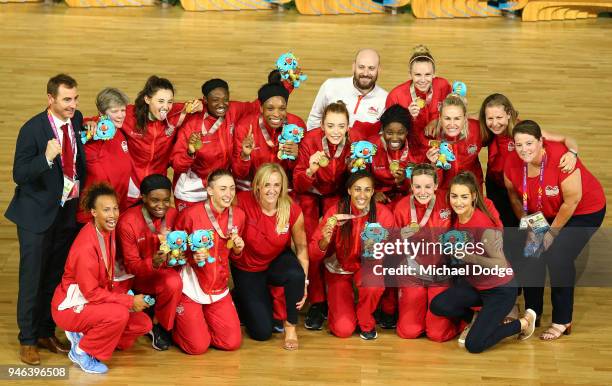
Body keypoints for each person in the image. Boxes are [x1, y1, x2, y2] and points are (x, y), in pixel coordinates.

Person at [5, 74, 86, 365]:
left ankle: (44, 331)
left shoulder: (76, 123)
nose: (72, 105)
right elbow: (19, 174)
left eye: (75, 98)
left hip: (65, 211)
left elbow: (79, 162)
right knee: (32, 279)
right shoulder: (32, 129)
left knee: (53, 276)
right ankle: (27, 339)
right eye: (66, 99)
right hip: (35, 215)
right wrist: (47, 158)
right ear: (50, 98)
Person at [503, 120, 606, 340]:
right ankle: (533, 313)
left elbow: (572, 201)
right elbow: (514, 197)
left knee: (559, 255)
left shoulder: (561, 159)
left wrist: (551, 234)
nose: (524, 149)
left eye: (529, 143)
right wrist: (531, 225)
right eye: (519, 144)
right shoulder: (511, 162)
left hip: (582, 211)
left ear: (541, 142)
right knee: (531, 253)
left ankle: (562, 320)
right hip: (544, 212)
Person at [430, 172, 537, 353]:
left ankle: (523, 323)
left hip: (500, 291)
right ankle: (478, 319)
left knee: (474, 345)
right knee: (438, 305)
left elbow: (500, 264)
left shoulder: (482, 225)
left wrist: (467, 256)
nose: (458, 202)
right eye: (454, 196)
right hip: (477, 286)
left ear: (473, 196)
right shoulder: (459, 216)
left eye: (464, 197)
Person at [51, 184, 152, 374]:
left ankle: (88, 334)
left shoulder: (108, 231)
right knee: (119, 315)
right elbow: (91, 293)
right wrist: (128, 301)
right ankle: (81, 351)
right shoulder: (85, 248)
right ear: (93, 212)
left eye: (115, 208)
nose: (113, 215)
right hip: (70, 307)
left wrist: (125, 295)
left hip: (91, 300)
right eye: (106, 210)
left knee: (143, 324)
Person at [309, 170, 394, 340]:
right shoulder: (335, 212)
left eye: (367, 190)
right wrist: (324, 241)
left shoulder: (383, 214)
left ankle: (365, 319)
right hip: (338, 267)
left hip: (366, 265)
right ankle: (344, 313)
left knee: (374, 283)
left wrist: (378, 249)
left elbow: (388, 253)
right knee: (343, 330)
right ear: (349, 190)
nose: (362, 195)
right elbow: (313, 254)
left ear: (372, 192)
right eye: (357, 189)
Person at [231, 164, 308, 350]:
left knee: (296, 275)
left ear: (282, 186)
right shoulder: (240, 202)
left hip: (275, 260)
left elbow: (302, 249)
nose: (271, 190)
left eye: (276, 185)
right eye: (266, 185)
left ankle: (290, 327)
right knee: (262, 333)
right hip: (247, 267)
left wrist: (304, 283)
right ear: (257, 186)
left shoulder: (292, 209)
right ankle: (240, 297)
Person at [293, 101, 355, 330]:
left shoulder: (354, 145)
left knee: (332, 241)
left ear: (349, 126)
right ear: (321, 125)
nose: (336, 131)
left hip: (334, 195)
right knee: (312, 247)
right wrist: (310, 170)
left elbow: (356, 181)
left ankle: (335, 295)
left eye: (341, 125)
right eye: (330, 126)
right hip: (309, 193)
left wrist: (357, 167)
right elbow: (298, 184)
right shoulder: (309, 141)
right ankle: (317, 301)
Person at [172, 169, 246, 354]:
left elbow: (234, 256)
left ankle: (200, 323)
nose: (228, 194)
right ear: (210, 190)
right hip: (192, 286)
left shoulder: (238, 216)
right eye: (222, 189)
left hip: (219, 286)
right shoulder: (190, 215)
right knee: (197, 347)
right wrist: (191, 257)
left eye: (232, 188)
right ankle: (178, 328)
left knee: (232, 343)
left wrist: (238, 249)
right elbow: (174, 254)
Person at [479, 93, 579, 227]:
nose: (495, 123)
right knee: (501, 224)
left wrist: (573, 153)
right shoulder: (488, 129)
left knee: (522, 225)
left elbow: (566, 139)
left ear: (509, 114)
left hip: (520, 184)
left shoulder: (524, 131)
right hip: (495, 183)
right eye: (490, 118)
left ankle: (538, 239)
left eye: (499, 117)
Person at [170, 79, 261, 211]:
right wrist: (190, 152)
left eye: (225, 99)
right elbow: (177, 165)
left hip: (220, 186)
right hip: (193, 189)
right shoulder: (192, 124)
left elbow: (258, 105)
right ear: (205, 100)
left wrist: (287, 83)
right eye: (215, 100)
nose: (221, 104)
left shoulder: (233, 110)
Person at [116, 174, 182, 351]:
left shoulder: (174, 215)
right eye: (154, 200)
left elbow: (180, 246)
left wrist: (179, 255)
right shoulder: (127, 221)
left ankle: (158, 323)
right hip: (134, 278)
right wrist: (151, 263)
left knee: (174, 282)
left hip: (161, 273)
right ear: (143, 198)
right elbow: (130, 266)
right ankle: (146, 319)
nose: (161, 206)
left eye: (166, 200)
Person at [393, 164, 458, 342]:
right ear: (411, 186)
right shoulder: (401, 207)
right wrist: (400, 236)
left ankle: (460, 322)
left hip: (441, 272)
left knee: (437, 334)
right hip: (412, 271)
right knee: (408, 332)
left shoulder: (448, 201)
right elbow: (392, 245)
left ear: (436, 186)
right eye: (418, 187)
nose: (422, 192)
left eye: (428, 186)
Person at [120, 75, 202, 203]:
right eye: (160, 101)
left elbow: (200, 106)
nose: (166, 107)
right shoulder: (128, 115)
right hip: (131, 183)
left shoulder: (176, 114)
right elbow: (105, 117)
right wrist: (90, 122)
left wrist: (200, 105)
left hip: (157, 184)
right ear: (147, 99)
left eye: (170, 102)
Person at [232, 82, 306, 191]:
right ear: (261, 108)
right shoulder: (245, 127)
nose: (276, 114)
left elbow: (301, 172)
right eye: (270, 109)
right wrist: (244, 156)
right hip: (252, 188)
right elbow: (239, 174)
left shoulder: (297, 125)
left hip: (283, 189)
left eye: (282, 108)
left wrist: (296, 157)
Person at [77, 88, 133, 224]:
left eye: (123, 110)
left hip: (116, 212)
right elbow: (79, 127)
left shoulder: (119, 131)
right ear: (102, 113)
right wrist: (86, 124)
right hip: (93, 217)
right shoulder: (94, 132)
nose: (121, 115)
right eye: (115, 111)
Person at [386, 45, 452, 160]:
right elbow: (390, 133)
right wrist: (407, 116)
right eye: (417, 75)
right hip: (410, 155)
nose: (422, 80)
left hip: (439, 151)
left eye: (427, 74)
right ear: (410, 74)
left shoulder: (443, 85)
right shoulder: (396, 95)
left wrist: (438, 119)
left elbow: (454, 112)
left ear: (434, 74)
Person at [306, 48, 387, 137]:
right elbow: (315, 119)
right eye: (361, 67)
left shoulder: (385, 99)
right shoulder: (330, 86)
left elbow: (382, 135)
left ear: (379, 69)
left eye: (371, 68)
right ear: (353, 67)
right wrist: (314, 144)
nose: (365, 73)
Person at [426, 94, 482, 191]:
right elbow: (431, 183)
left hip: (472, 189)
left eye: (457, 118)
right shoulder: (431, 136)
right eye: (447, 118)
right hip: (444, 192)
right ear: (440, 117)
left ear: (465, 118)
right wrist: (434, 166)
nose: (452, 124)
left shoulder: (477, 129)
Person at [369, 104, 421, 210]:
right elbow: (361, 177)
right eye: (389, 133)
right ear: (382, 130)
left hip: (406, 200)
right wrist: (373, 193)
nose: (395, 138)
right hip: (379, 198)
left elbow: (420, 184)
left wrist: (403, 181)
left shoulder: (416, 149)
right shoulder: (370, 147)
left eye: (401, 133)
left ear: (407, 131)